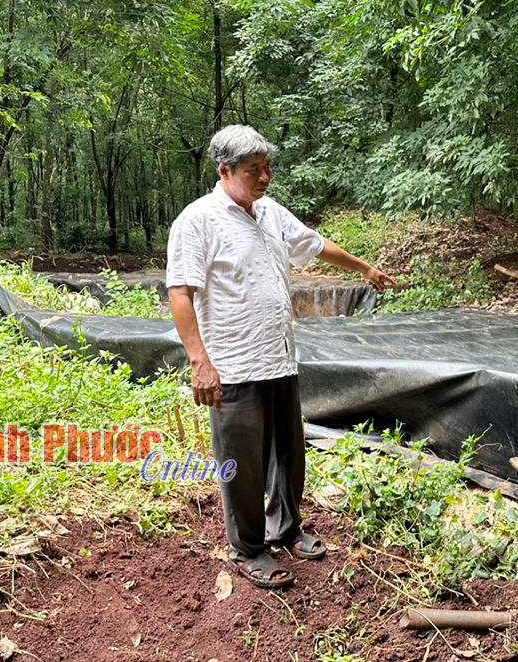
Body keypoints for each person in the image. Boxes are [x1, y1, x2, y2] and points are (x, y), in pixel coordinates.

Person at [167, 125, 398, 588]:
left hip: (278, 358)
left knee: (289, 457)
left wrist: (364, 267)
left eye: (268, 167)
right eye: (254, 170)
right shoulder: (198, 221)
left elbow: (314, 244)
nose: (265, 177)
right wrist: (200, 361)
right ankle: (249, 548)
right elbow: (180, 292)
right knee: (242, 464)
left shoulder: (269, 212)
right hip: (232, 365)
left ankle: (286, 530)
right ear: (225, 171)